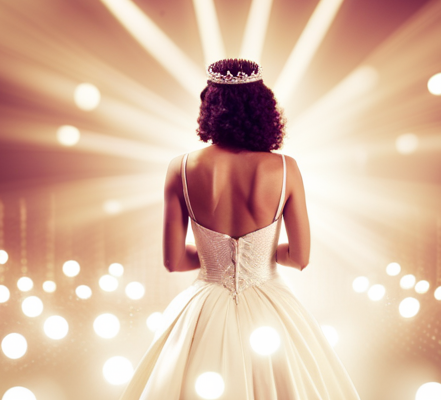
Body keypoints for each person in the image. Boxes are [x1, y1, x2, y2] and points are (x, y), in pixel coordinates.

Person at [120, 59, 360, 400]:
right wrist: (258, 254)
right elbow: (300, 257)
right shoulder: (285, 168)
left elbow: (173, 261)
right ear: (263, 107)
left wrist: (216, 257)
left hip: (204, 307)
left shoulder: (181, 168)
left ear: (210, 107)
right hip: (270, 305)